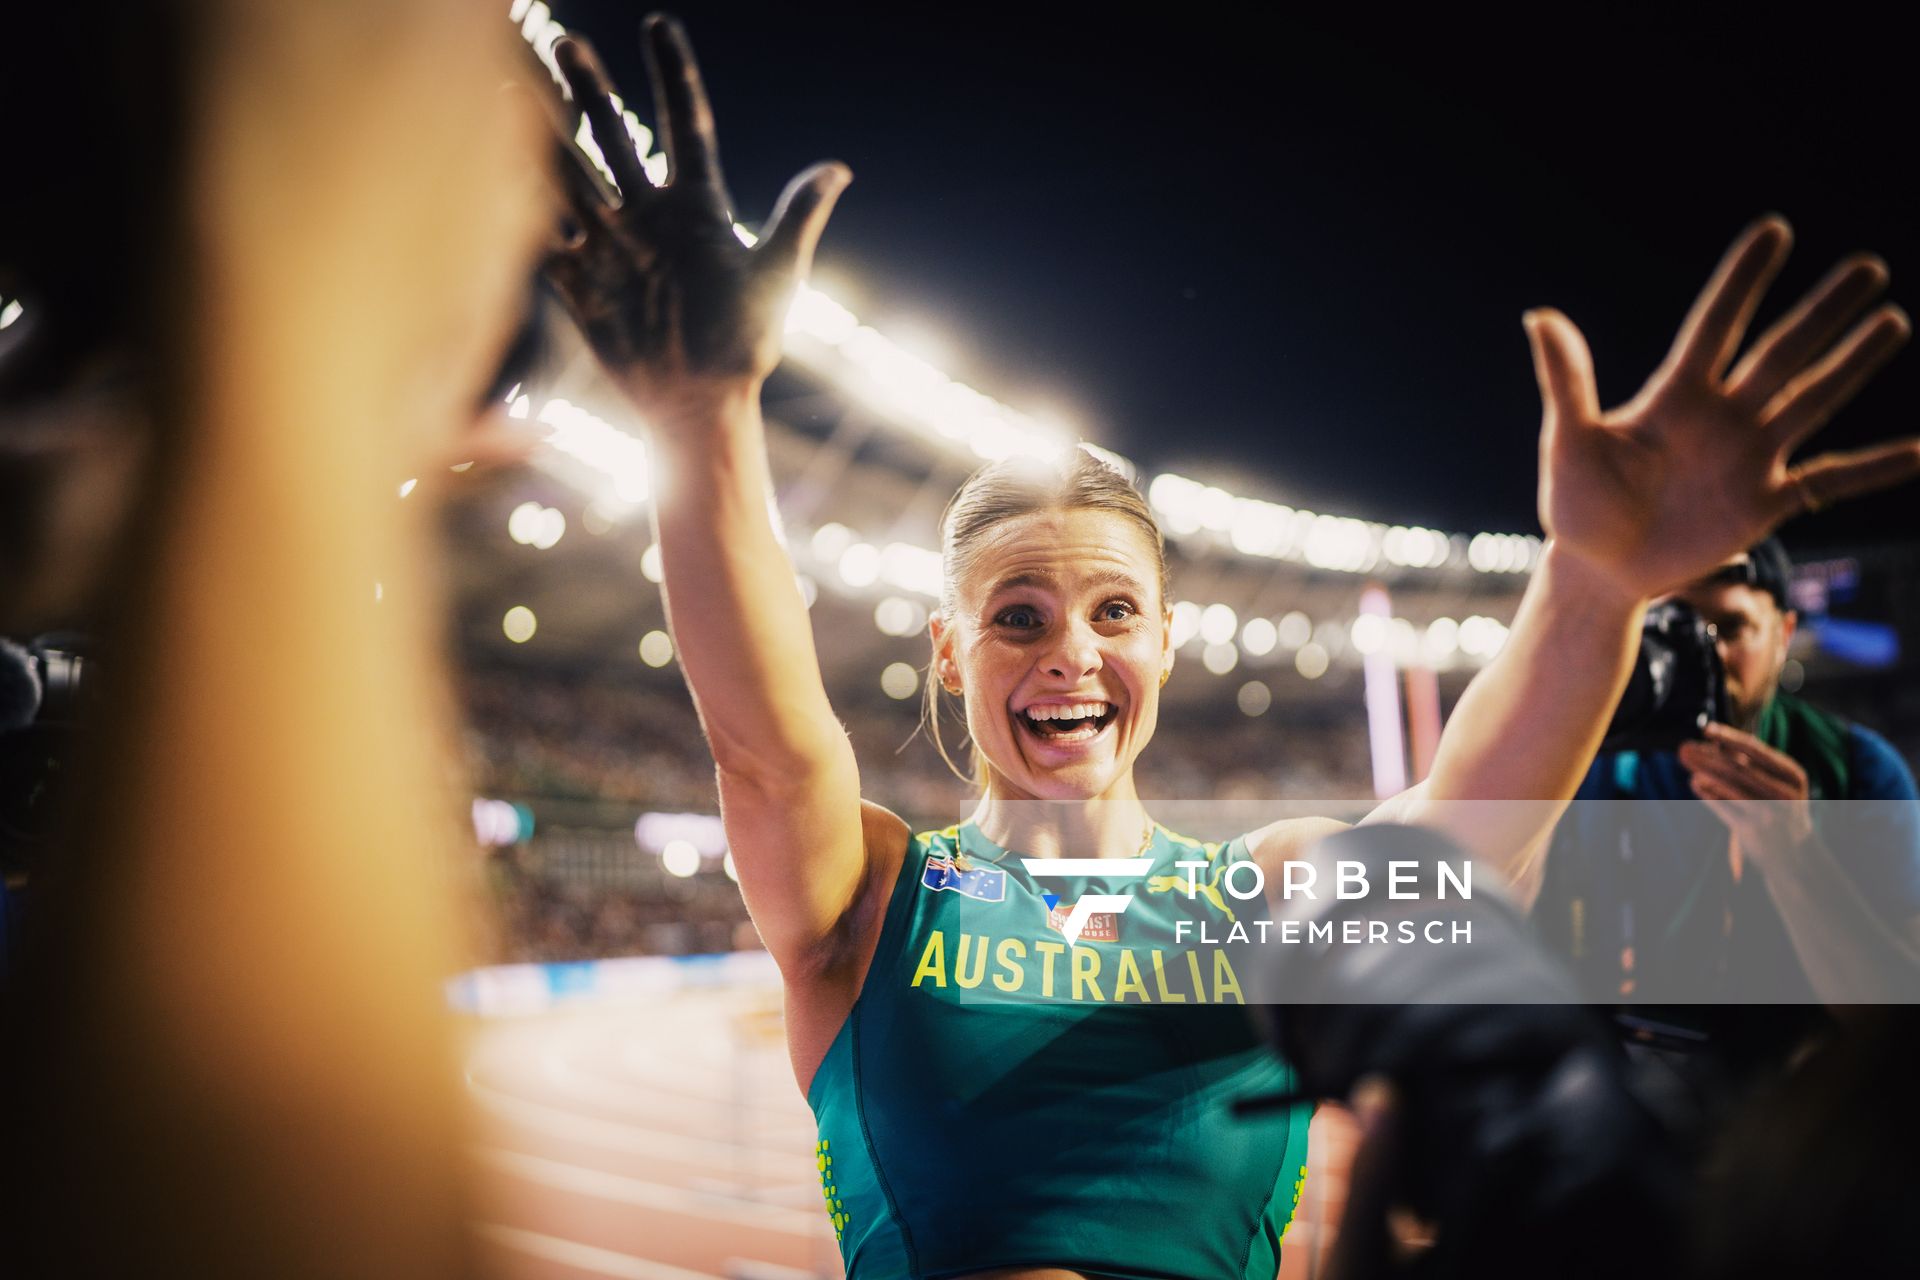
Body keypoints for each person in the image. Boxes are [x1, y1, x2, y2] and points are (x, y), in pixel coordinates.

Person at [541, 15, 1918, 1278]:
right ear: (950, 657)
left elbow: (1452, 852)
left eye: (1115, 612)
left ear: (1167, 648)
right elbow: (770, 754)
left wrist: (1595, 586)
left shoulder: (1256, 892)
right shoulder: (872, 894)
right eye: (1018, 616)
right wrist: (702, 416)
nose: (1071, 651)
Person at [1533, 540, 1920, 1066]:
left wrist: (1794, 855)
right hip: (1634, 1089)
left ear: (1784, 636)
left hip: (1798, 1105)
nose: (1703, 656)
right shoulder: (1586, 766)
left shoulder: (1857, 770)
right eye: (1671, 630)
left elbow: (1897, 1014)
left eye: (1729, 629)